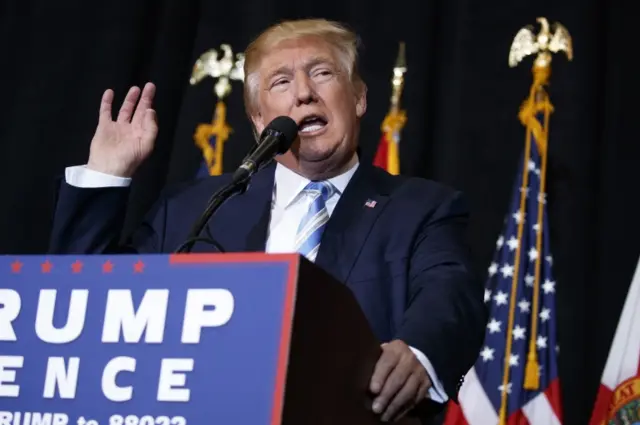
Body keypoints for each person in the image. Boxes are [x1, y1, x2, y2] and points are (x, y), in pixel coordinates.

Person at [49, 19, 485, 423]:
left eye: (322, 73)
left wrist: (420, 351)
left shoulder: (421, 207)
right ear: (260, 121)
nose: (304, 93)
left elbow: (449, 293)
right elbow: (88, 302)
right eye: (281, 82)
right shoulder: (193, 208)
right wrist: (106, 173)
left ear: (359, 98)